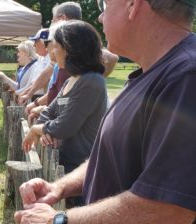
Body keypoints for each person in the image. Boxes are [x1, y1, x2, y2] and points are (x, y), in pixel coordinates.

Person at [15, 0, 196, 223]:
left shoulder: (185, 77)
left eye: (104, 4)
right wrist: (59, 187)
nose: (100, 17)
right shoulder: (156, 73)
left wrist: (59, 220)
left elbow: (169, 209)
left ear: (133, 5)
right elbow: (109, 155)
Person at [22, 20, 108, 207]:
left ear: (71, 50)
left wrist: (38, 129)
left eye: (57, 47)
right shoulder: (72, 79)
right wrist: (45, 130)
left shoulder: (92, 82)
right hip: (65, 163)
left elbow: (65, 126)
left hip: (80, 168)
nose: (53, 52)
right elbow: (50, 112)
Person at [23, 1, 119, 118]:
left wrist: (88, 82)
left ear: (62, 18)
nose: (51, 23)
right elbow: (49, 72)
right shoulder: (64, 50)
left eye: (53, 20)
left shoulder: (80, 41)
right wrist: (31, 94)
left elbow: (111, 57)